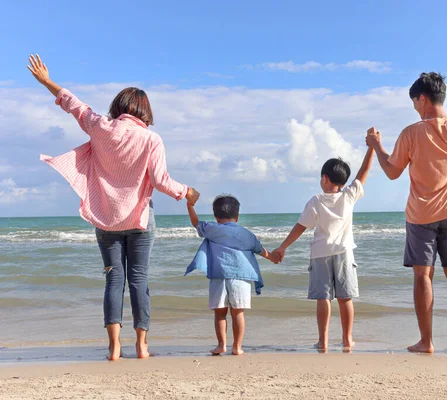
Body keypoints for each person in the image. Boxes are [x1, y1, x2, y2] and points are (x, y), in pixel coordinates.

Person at [27, 54, 201, 361]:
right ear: (145, 112)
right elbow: (161, 181)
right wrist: (186, 192)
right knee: (139, 279)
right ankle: (142, 345)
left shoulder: (100, 127)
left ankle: (114, 346)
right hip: (139, 220)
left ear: (118, 108)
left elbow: (73, 104)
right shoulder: (152, 140)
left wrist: (46, 82)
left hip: (105, 220)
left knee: (113, 279)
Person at [365, 39, 447, 354]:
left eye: (414, 103)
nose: (414, 108)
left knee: (423, 276)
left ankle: (426, 342)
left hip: (420, 216)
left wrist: (375, 145)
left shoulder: (411, 133)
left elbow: (392, 170)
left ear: (422, 99)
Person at [273, 146, 375, 352]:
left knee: (323, 298)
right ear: (344, 182)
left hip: (320, 253)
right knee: (346, 298)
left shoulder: (316, 200)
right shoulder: (349, 196)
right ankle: (347, 339)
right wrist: (371, 147)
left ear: (325, 179)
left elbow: (301, 226)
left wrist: (283, 247)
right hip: (344, 251)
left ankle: (323, 340)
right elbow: (363, 171)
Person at [185, 195, 279, 355]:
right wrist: (272, 257)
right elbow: (259, 249)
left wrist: (190, 206)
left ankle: (221, 345)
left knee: (220, 313)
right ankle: (237, 347)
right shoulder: (246, 234)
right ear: (237, 216)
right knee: (238, 312)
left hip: (219, 276)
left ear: (216, 216)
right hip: (241, 278)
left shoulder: (212, 229)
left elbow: (195, 223)